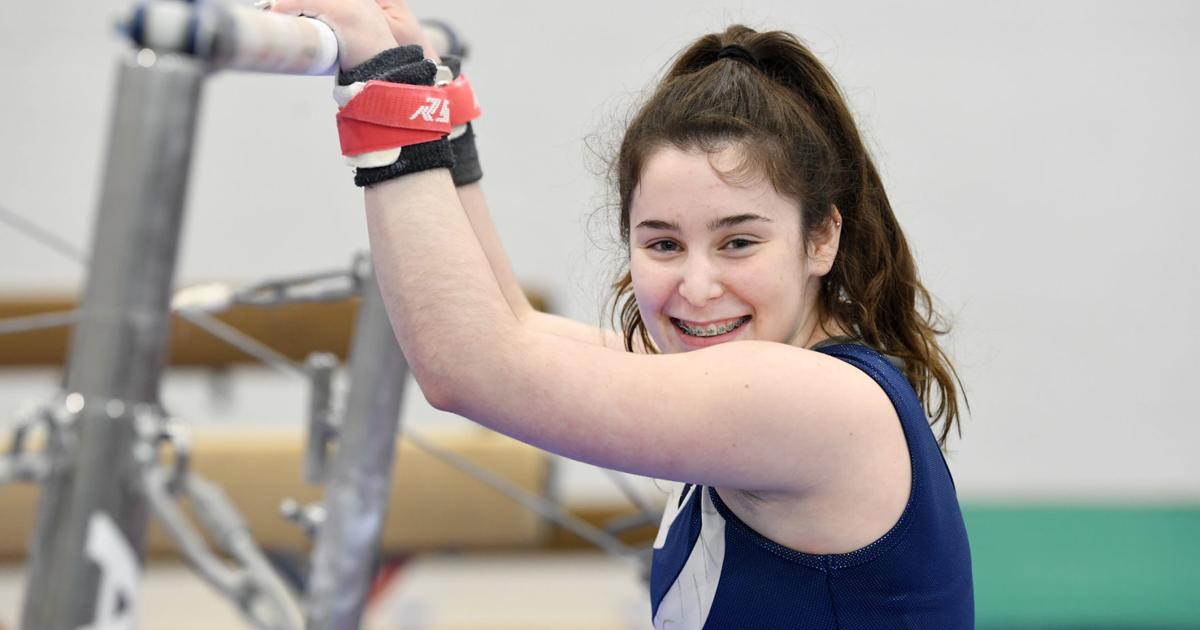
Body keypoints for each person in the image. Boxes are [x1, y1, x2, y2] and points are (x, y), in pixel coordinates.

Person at [272, 0, 974, 626]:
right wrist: (430, 95)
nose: (697, 287)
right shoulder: (768, 373)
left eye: (738, 242)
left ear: (821, 238)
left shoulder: (815, 402)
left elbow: (469, 368)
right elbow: (515, 325)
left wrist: (382, 88)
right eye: (663, 244)